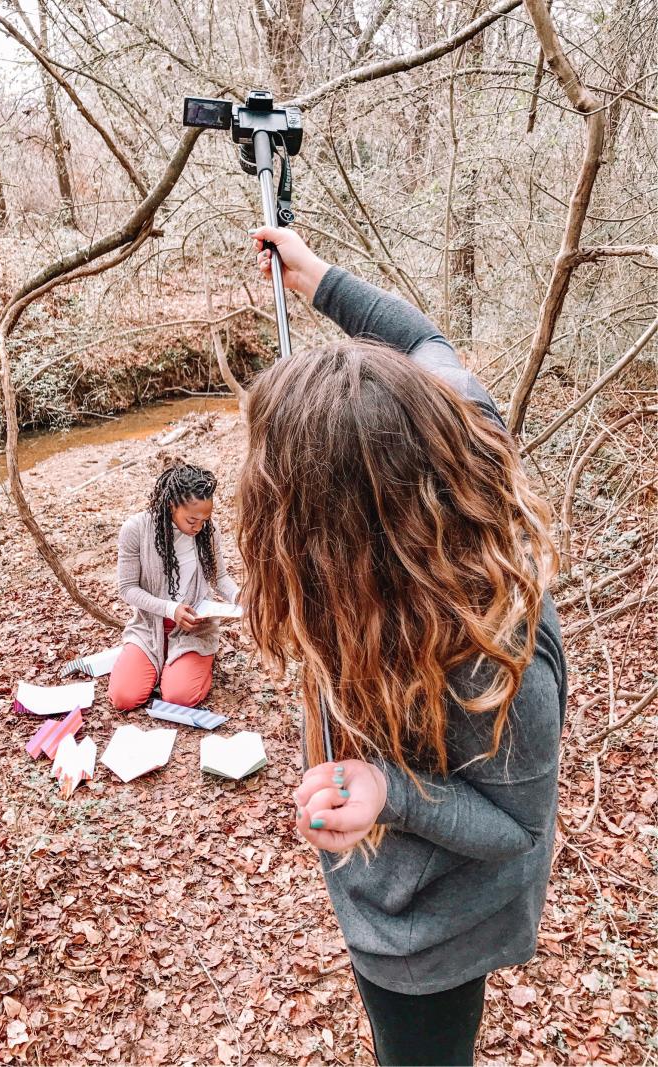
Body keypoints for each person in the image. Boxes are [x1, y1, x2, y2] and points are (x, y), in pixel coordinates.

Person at [238, 226, 566, 1067]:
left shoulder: (496, 655)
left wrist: (392, 791)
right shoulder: (462, 426)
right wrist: (319, 280)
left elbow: (518, 827)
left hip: (432, 936)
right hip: (385, 889)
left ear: (338, 543)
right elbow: (422, 340)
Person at [108, 463, 239, 711]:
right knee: (124, 698)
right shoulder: (136, 529)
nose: (198, 527)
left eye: (205, 519)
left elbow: (219, 577)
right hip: (149, 627)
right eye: (192, 519)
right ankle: (159, 662)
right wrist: (171, 609)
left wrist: (239, 596)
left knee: (179, 698)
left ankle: (190, 662)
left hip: (193, 629)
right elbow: (127, 588)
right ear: (171, 505)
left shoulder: (207, 533)